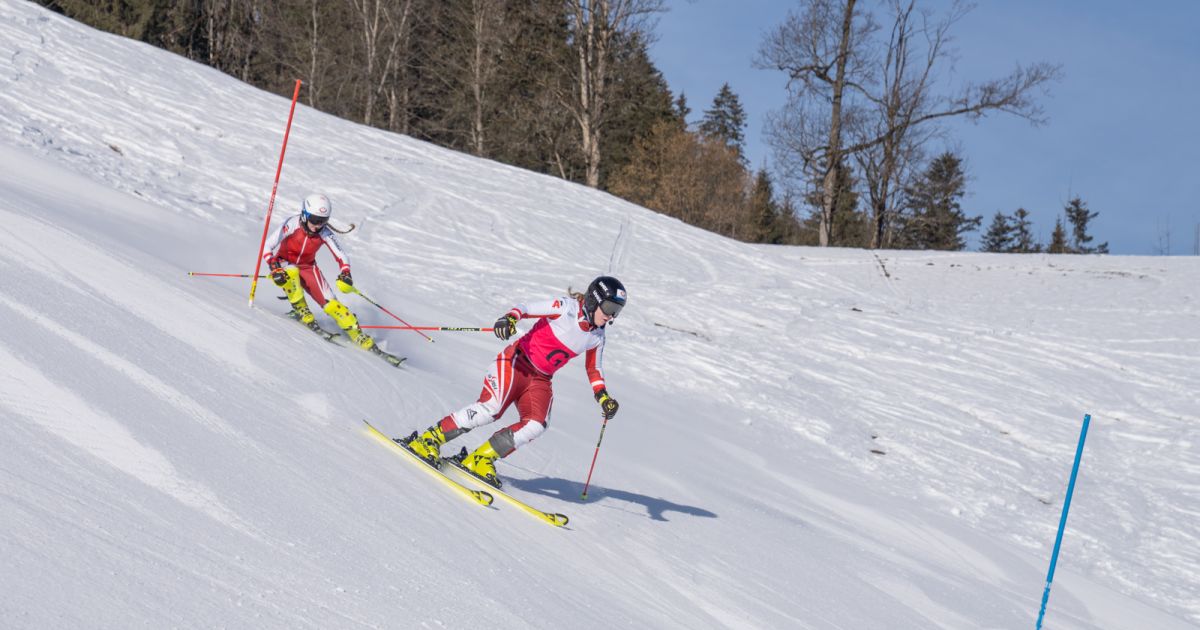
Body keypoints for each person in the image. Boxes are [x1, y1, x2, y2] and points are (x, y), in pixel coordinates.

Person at [405, 276, 627, 487]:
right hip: (516, 362)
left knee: (536, 424)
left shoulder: (597, 336)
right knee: (491, 409)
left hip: (540, 378)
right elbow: (526, 308)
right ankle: (428, 440)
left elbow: (593, 368)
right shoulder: (565, 308)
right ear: (593, 300)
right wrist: (509, 318)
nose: (611, 316)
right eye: (609, 309)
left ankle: (480, 459)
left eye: (616, 311)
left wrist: (603, 397)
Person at [264, 193, 374, 350]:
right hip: (284, 264)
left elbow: (341, 255)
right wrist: (273, 265)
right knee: (292, 272)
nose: (318, 225)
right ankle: (301, 309)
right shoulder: (292, 223)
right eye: (315, 220)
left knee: (332, 304)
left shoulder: (324, 233)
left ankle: (357, 334)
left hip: (308, 267)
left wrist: (346, 273)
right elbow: (268, 246)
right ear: (304, 214)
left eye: (323, 221)